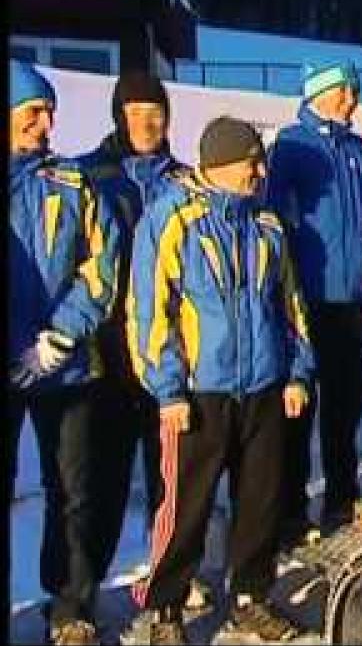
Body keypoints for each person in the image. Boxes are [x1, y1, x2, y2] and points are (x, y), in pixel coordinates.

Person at [123, 116, 315, 644]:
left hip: (263, 386)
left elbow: (290, 306)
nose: (260, 171)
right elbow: (147, 311)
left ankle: (251, 596)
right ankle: (165, 608)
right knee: (185, 506)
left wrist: (297, 373)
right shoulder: (172, 219)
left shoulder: (268, 224)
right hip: (198, 392)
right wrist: (168, 390)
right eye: (251, 162)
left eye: (261, 160)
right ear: (220, 165)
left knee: (261, 501)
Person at [7, 60, 122, 646]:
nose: (46, 122)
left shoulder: (73, 183)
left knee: (73, 492)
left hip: (65, 363)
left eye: (49, 110)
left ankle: (70, 604)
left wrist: (59, 336)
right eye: (32, 112)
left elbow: (102, 265)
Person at [76, 70, 188, 589]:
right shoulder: (89, 177)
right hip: (109, 349)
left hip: (168, 352)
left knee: (171, 476)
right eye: (135, 112)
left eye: (156, 112)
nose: (146, 122)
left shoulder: (185, 181)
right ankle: (83, 591)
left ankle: (170, 573)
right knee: (102, 480)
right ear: (118, 115)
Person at [266, 59, 362, 539]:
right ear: (321, 92)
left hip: (350, 297)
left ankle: (341, 498)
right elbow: (275, 218)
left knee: (345, 403)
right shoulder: (293, 146)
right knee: (299, 405)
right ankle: (290, 511)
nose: (352, 99)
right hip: (307, 296)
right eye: (345, 90)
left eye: (355, 90)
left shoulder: (355, 147)